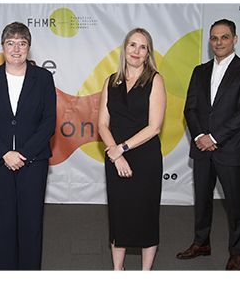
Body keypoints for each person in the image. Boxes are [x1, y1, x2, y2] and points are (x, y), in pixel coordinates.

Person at [0, 22, 56, 270]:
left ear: (29, 48)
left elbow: (48, 122)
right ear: (3, 47)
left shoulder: (43, 78)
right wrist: (5, 153)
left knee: (32, 224)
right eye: (11, 43)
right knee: (3, 223)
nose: (16, 48)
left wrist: (23, 154)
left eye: (22, 43)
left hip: (34, 162)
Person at [98, 28, 166, 270]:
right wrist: (115, 154)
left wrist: (122, 148)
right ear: (124, 48)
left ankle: (145, 272)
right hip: (115, 157)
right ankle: (118, 269)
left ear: (148, 53)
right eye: (132, 45)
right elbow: (102, 124)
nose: (136, 51)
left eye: (143, 47)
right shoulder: (111, 81)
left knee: (146, 214)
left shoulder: (155, 80)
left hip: (144, 158)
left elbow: (154, 127)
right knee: (119, 214)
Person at [177, 19, 240, 270]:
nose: (218, 42)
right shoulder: (199, 71)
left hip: (230, 149)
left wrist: (214, 138)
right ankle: (201, 243)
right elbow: (189, 108)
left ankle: (237, 251)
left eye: (224, 37)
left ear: (234, 39)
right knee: (201, 199)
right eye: (214, 38)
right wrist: (200, 137)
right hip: (202, 149)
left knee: (235, 204)